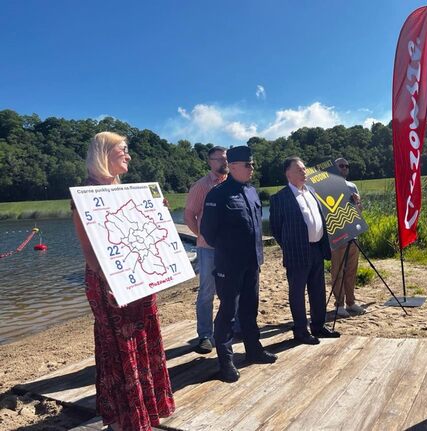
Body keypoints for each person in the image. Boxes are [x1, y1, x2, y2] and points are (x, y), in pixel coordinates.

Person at [71, 132, 175, 431]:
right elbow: (89, 251)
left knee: (145, 337)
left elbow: (144, 239)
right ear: (105, 154)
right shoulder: (85, 194)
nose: (128, 156)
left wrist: (157, 215)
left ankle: (146, 408)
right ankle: (124, 417)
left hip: (136, 280)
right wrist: (112, 281)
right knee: (120, 345)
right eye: (123, 150)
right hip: (109, 283)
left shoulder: (126, 191)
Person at [200, 146, 277, 383]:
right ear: (233, 167)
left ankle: (253, 350)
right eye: (248, 165)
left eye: (252, 164)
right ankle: (226, 361)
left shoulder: (252, 192)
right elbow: (208, 233)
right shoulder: (218, 194)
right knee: (227, 312)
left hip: (252, 262)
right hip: (229, 265)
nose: (252, 168)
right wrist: (229, 250)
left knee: (249, 308)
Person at [270, 156, 341, 345]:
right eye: (299, 170)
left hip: (317, 248)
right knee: (297, 292)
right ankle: (300, 330)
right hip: (296, 252)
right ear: (288, 173)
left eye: (304, 169)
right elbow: (276, 228)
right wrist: (290, 245)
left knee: (318, 290)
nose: (304, 172)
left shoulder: (311, 191)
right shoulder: (280, 198)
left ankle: (318, 326)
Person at [184, 146, 241, 354]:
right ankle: (205, 336)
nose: (224, 163)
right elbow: (189, 215)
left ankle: (235, 326)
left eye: (226, 159)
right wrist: (203, 236)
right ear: (210, 162)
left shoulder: (235, 183)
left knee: (235, 288)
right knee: (207, 291)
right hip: (209, 249)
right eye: (219, 159)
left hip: (233, 249)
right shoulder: (201, 186)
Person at [330, 157, 366, 318]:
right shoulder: (327, 187)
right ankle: (339, 304)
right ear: (334, 168)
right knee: (338, 270)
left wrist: (358, 204)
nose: (344, 168)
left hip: (353, 233)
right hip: (337, 234)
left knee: (351, 270)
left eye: (346, 166)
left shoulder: (352, 186)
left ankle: (351, 302)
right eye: (341, 166)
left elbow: (359, 211)